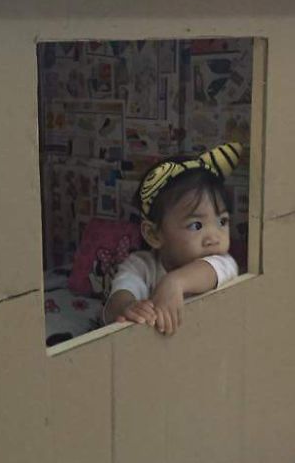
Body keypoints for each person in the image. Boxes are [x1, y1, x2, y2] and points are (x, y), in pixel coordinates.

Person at [104, 143, 242, 336]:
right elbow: (117, 298)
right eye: (196, 225)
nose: (214, 237)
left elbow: (211, 270)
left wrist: (175, 282)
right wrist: (128, 307)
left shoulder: (223, 262)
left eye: (222, 221)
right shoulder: (142, 265)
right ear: (154, 235)